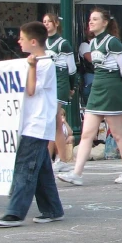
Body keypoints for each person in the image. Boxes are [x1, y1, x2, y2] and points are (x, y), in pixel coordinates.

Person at [0, 21, 64, 227]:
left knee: (25, 167)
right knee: (40, 170)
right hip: (30, 121)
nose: (18, 41)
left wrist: (31, 67)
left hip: (38, 122)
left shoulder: (46, 63)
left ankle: (15, 212)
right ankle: (52, 208)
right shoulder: (32, 62)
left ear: (33, 41)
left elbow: (32, 89)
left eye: (22, 38)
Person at [58, 8, 122, 186]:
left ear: (105, 22)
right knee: (87, 134)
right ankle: (77, 173)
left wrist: (118, 84)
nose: (91, 22)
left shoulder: (113, 42)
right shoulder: (92, 43)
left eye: (95, 19)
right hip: (97, 86)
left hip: (111, 86)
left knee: (117, 133)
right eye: (89, 19)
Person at [42, 14, 76, 173]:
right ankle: (51, 158)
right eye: (44, 22)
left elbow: (71, 68)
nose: (46, 24)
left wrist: (72, 86)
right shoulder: (43, 42)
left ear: (56, 23)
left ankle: (61, 158)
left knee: (53, 120)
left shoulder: (63, 44)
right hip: (47, 82)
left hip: (60, 80)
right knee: (52, 122)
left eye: (49, 21)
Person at [77, 31, 95, 104]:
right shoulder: (85, 44)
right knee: (90, 94)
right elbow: (90, 58)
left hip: (99, 73)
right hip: (90, 73)